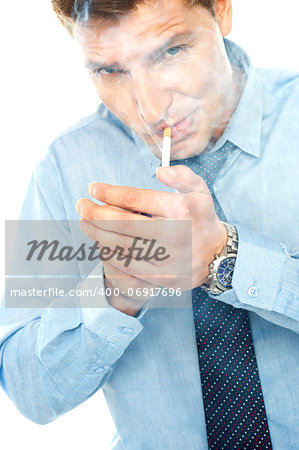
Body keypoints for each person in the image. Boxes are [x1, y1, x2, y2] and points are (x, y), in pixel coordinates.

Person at [1, 0, 299, 448]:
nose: (149, 108)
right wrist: (114, 292)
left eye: (171, 51)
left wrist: (225, 258)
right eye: (109, 71)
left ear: (221, 11)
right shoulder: (67, 167)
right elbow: (32, 396)